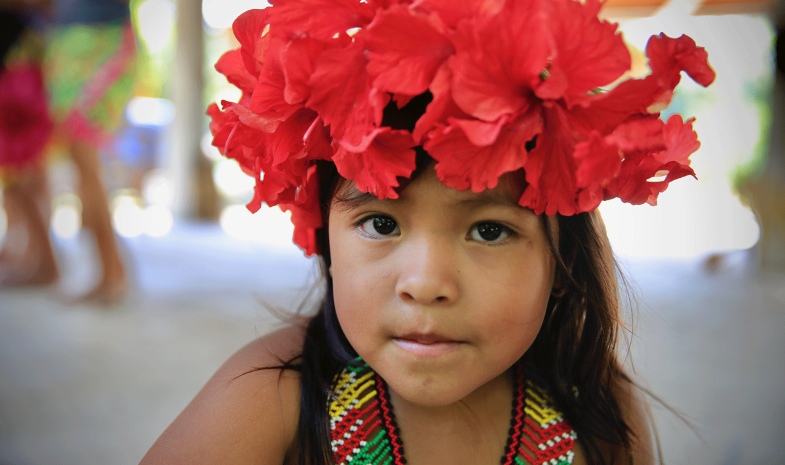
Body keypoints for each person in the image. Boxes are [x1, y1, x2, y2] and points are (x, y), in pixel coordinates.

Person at [141, 0, 715, 463]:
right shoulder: (266, 398)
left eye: (489, 231)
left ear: (563, 264)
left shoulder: (596, 404)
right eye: (382, 222)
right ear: (326, 241)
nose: (426, 283)